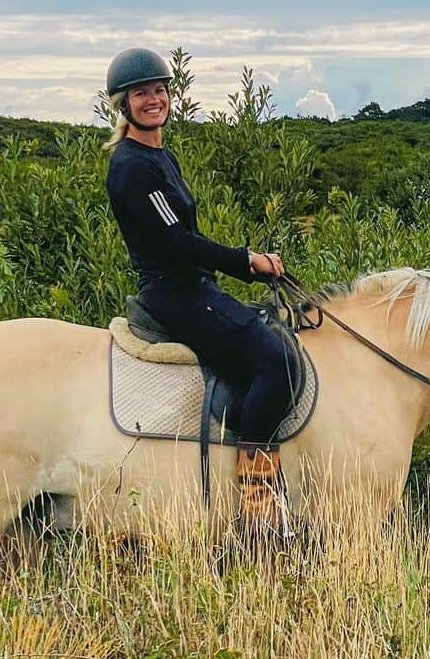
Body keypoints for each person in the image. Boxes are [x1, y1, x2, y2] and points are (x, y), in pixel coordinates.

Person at [103, 47, 294, 540]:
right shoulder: (131, 167)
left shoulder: (158, 155)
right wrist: (247, 262)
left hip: (193, 285)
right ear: (123, 105)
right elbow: (176, 243)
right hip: (174, 292)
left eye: (160, 91)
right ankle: (256, 508)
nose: (154, 100)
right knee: (276, 361)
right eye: (142, 93)